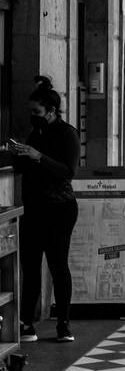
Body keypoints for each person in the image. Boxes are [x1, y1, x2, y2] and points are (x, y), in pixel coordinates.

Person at [6, 76, 81, 344]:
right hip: (34, 209)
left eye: (36, 112)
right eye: (30, 112)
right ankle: (27, 323)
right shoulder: (34, 134)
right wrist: (17, 153)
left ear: (51, 112)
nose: (32, 117)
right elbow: (23, 170)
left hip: (60, 209)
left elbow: (67, 172)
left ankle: (64, 324)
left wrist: (39, 156)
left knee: (58, 265)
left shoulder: (67, 134)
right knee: (30, 266)